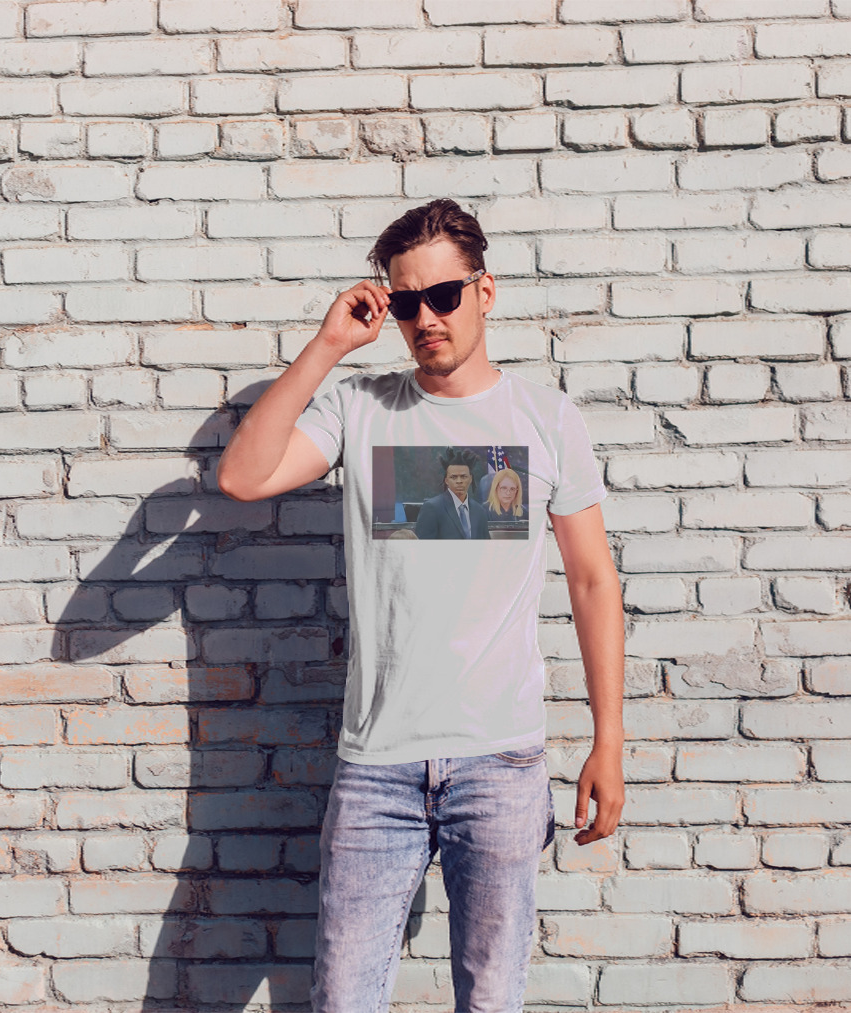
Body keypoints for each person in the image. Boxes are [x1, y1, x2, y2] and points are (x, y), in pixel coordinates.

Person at [217, 198, 625, 1013]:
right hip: (377, 768)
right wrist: (330, 346)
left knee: (490, 1000)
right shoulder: (362, 408)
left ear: (486, 291)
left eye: (443, 296)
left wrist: (608, 740)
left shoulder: (544, 421)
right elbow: (243, 476)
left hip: (502, 762)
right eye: (406, 303)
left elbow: (591, 579)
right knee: (344, 1000)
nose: (425, 318)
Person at [415, 446, 491, 540]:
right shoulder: (432, 508)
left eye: (463, 477)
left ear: (470, 479)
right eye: (454, 477)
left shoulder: (479, 511)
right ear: (446, 480)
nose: (459, 481)